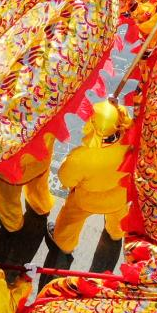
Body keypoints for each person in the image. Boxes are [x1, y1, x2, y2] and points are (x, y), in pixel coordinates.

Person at [49, 100, 134, 254]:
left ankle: (64, 245)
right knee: (118, 218)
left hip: (86, 201)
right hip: (119, 196)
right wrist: (113, 109)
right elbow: (124, 116)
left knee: (69, 223)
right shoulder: (130, 139)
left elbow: (66, 179)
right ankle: (116, 234)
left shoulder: (80, 157)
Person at [0, 134, 56, 233]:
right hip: (40, 157)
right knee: (38, 187)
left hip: (10, 168)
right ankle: (41, 206)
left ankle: (13, 224)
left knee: (7, 198)